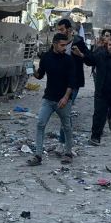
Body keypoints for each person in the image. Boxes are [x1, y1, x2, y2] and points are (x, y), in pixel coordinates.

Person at [28, 33, 78, 165]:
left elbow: (72, 82)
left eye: (66, 45)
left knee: (67, 126)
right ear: (54, 44)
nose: (64, 48)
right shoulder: (46, 57)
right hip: (49, 99)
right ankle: (38, 155)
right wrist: (31, 70)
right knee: (40, 124)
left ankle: (68, 153)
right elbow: (39, 75)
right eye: (62, 45)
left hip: (64, 100)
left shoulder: (69, 60)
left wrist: (66, 98)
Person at [55, 18, 90, 150]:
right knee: (63, 112)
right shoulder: (57, 43)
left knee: (66, 111)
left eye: (62, 29)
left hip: (74, 82)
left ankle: (63, 142)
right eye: (58, 30)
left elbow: (89, 59)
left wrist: (80, 54)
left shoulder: (78, 42)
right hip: (60, 82)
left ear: (69, 29)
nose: (59, 32)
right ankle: (65, 141)